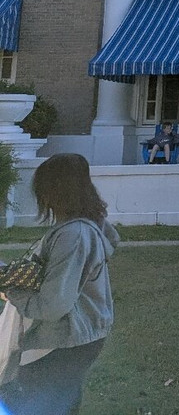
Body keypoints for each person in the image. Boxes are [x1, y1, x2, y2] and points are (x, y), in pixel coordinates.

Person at [0, 153, 119, 414]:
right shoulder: (85, 227)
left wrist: (12, 294)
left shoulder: (73, 235)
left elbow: (54, 305)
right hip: (78, 338)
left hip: (61, 341)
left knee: (34, 404)